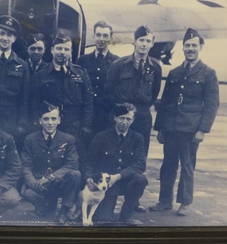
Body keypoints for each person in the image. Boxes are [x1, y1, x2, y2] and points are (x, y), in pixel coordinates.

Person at [150, 28, 219, 216]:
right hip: (171, 127)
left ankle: (185, 203)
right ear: (183, 48)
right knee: (168, 165)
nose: (190, 49)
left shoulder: (208, 73)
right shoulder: (174, 72)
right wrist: (160, 128)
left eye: (194, 46)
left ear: (201, 47)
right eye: (187, 46)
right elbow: (165, 102)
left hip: (190, 129)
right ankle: (164, 200)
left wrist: (202, 129)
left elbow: (212, 104)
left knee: (187, 166)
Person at [82, 103, 148, 225]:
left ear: (133, 120)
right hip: (105, 185)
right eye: (121, 118)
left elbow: (140, 163)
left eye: (128, 119)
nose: (124, 122)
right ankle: (107, 209)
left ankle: (127, 214)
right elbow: (88, 161)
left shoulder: (137, 138)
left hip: (125, 181)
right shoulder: (101, 137)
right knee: (103, 219)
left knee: (140, 179)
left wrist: (119, 176)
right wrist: (88, 178)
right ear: (115, 118)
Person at [30, 32, 93, 153]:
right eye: (59, 48)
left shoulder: (80, 73)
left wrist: (86, 126)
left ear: (70, 52)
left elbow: (88, 102)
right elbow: (34, 104)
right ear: (52, 50)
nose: (62, 52)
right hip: (49, 126)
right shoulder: (41, 75)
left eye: (66, 49)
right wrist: (36, 126)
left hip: (74, 127)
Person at [104, 25, 162, 157]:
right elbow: (108, 91)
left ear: (152, 44)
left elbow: (154, 92)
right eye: (141, 40)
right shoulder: (119, 65)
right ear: (134, 42)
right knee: (116, 152)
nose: (144, 44)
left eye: (148, 41)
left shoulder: (155, 67)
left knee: (139, 153)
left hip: (142, 116)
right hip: (121, 113)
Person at [21, 102, 81, 223]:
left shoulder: (68, 139)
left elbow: (72, 164)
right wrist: (32, 182)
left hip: (59, 183)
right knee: (27, 192)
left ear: (59, 120)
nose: (50, 123)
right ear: (40, 121)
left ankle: (63, 211)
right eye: (46, 119)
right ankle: (45, 206)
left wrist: (50, 178)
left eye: (53, 119)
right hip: (40, 184)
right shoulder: (30, 139)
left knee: (75, 174)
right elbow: (25, 165)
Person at [77, 20, 119, 135]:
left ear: (110, 38)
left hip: (106, 116)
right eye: (98, 35)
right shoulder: (83, 60)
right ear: (93, 36)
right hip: (85, 116)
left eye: (105, 35)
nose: (101, 39)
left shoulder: (117, 62)